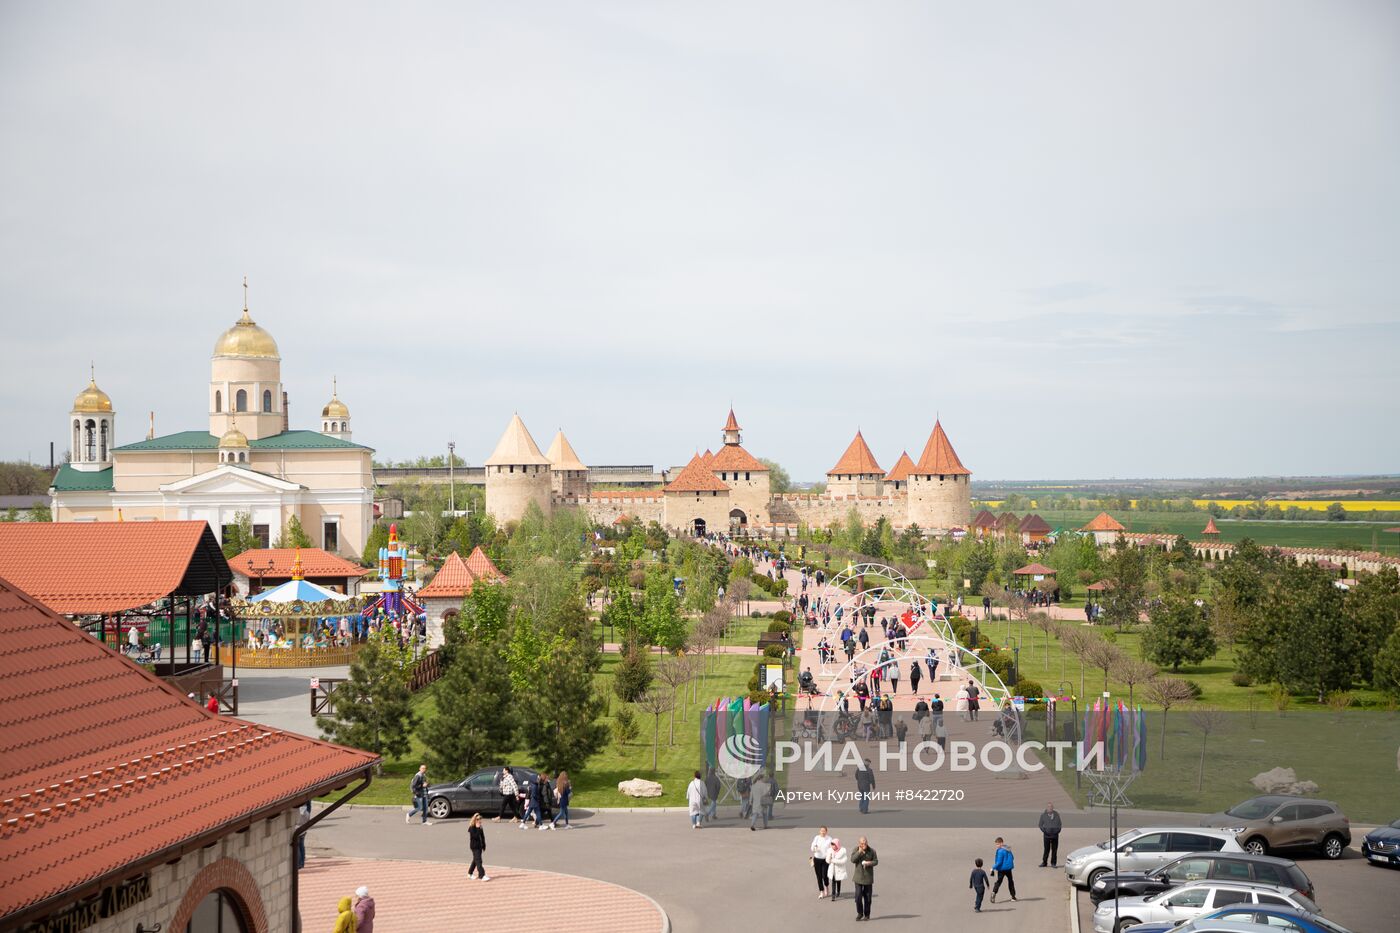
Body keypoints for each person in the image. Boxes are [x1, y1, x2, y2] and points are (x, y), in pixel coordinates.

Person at [851, 836, 878, 921]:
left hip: (868, 878)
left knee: (868, 898)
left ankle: (867, 914)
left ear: (867, 842)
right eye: (862, 843)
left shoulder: (872, 851)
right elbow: (852, 860)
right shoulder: (856, 850)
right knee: (858, 897)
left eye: (865, 843)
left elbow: (876, 861)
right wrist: (859, 852)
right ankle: (860, 913)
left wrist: (869, 863)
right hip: (858, 878)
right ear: (859, 844)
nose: (864, 844)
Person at [991, 837, 1017, 902]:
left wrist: (993, 867)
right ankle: (1013, 896)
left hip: (1001, 869)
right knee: (1010, 881)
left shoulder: (1000, 851)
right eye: (996, 844)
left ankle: (994, 892)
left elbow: (999, 862)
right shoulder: (1008, 849)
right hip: (1008, 869)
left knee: (998, 882)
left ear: (1001, 843)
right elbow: (1013, 857)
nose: (996, 846)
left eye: (997, 844)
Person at [809, 826, 833, 897]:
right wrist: (814, 849)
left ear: (826, 831)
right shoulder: (816, 838)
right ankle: (821, 891)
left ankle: (826, 887)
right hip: (817, 859)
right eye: (821, 831)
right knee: (819, 876)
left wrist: (830, 857)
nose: (823, 832)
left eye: (824, 831)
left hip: (825, 860)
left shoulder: (829, 838)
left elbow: (831, 849)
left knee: (824, 875)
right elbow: (812, 847)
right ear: (819, 831)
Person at [1038, 802, 1062, 867]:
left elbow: (1059, 825)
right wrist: (1045, 831)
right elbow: (1040, 825)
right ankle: (1044, 862)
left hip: (1055, 835)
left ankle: (1053, 863)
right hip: (1046, 836)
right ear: (1046, 808)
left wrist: (1056, 831)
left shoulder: (1056, 815)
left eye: (1051, 807)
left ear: (1053, 808)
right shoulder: (1043, 815)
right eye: (1048, 807)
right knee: (1046, 849)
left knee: (1054, 850)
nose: (1050, 808)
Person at [468, 813, 490, 881]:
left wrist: (484, 845)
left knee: (475, 860)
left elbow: (482, 837)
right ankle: (482, 875)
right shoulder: (472, 828)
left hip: (479, 846)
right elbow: (475, 836)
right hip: (474, 847)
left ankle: (470, 873)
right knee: (479, 861)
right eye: (477, 819)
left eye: (480, 819)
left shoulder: (480, 827)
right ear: (474, 820)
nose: (479, 821)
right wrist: (477, 828)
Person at [827, 837, 849, 901]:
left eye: (833, 844)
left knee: (838, 881)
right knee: (833, 882)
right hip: (833, 870)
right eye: (831, 845)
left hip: (839, 870)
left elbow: (843, 861)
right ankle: (833, 895)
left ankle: (838, 891)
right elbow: (827, 861)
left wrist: (833, 860)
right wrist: (829, 856)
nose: (832, 846)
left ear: (837, 845)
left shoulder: (842, 851)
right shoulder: (830, 851)